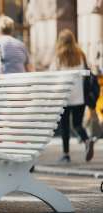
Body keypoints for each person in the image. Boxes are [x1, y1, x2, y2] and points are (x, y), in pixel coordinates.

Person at [50, 29, 95, 163]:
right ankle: (87, 141)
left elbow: (52, 74)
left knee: (64, 126)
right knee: (77, 124)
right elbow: (87, 73)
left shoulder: (58, 56)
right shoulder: (81, 55)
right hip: (80, 96)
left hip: (64, 96)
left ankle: (66, 154)